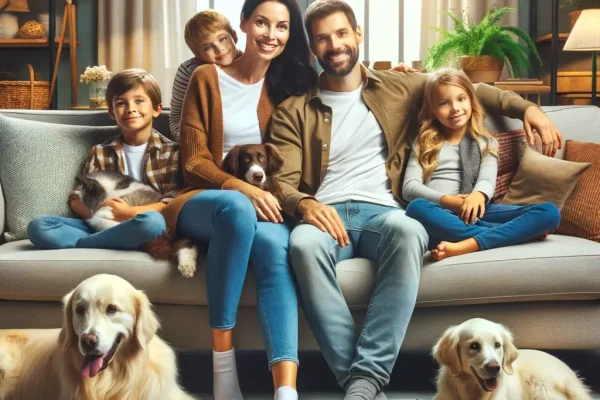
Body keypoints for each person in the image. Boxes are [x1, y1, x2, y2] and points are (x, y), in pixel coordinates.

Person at [266, 1, 563, 399]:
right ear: (312, 48)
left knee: (410, 231)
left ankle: (363, 382)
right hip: (326, 213)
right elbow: (282, 183)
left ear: (358, 35)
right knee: (300, 244)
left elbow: (470, 91)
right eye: (322, 38)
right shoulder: (292, 111)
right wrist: (304, 205)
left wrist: (528, 108)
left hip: (383, 213)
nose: (334, 45)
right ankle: (364, 385)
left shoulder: (398, 86)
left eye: (341, 33)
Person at [160, 1, 318, 399]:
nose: (271, 34)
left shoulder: (285, 87)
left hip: (260, 206)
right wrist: (242, 186)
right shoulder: (205, 77)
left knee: (275, 248)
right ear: (243, 24)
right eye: (262, 22)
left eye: (282, 27)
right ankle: (223, 366)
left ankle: (286, 390)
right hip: (206, 198)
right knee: (234, 206)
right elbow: (194, 160)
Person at [403, 69, 561, 260]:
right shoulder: (424, 142)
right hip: (440, 215)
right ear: (432, 111)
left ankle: (466, 245)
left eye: (461, 99)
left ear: (471, 100)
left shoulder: (486, 142)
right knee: (416, 208)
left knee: (549, 213)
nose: (455, 108)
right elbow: (409, 188)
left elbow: (487, 179)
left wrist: (478, 195)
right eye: (444, 103)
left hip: (478, 210)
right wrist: (449, 201)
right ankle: (509, 235)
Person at [28, 69, 179, 251]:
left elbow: (173, 203)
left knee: (153, 223)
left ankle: (93, 244)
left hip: (144, 222)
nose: (131, 108)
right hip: (102, 222)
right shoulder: (100, 152)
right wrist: (103, 213)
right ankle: (120, 241)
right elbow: (76, 197)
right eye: (121, 103)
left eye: (139, 101)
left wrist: (129, 213)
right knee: (39, 226)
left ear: (156, 109)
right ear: (112, 112)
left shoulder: (173, 152)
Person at [169, 10, 243, 140]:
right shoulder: (188, 71)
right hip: (204, 142)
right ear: (198, 55)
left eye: (222, 39)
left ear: (234, 36)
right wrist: (192, 141)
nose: (219, 48)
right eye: (207, 47)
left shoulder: (252, 64)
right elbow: (176, 117)